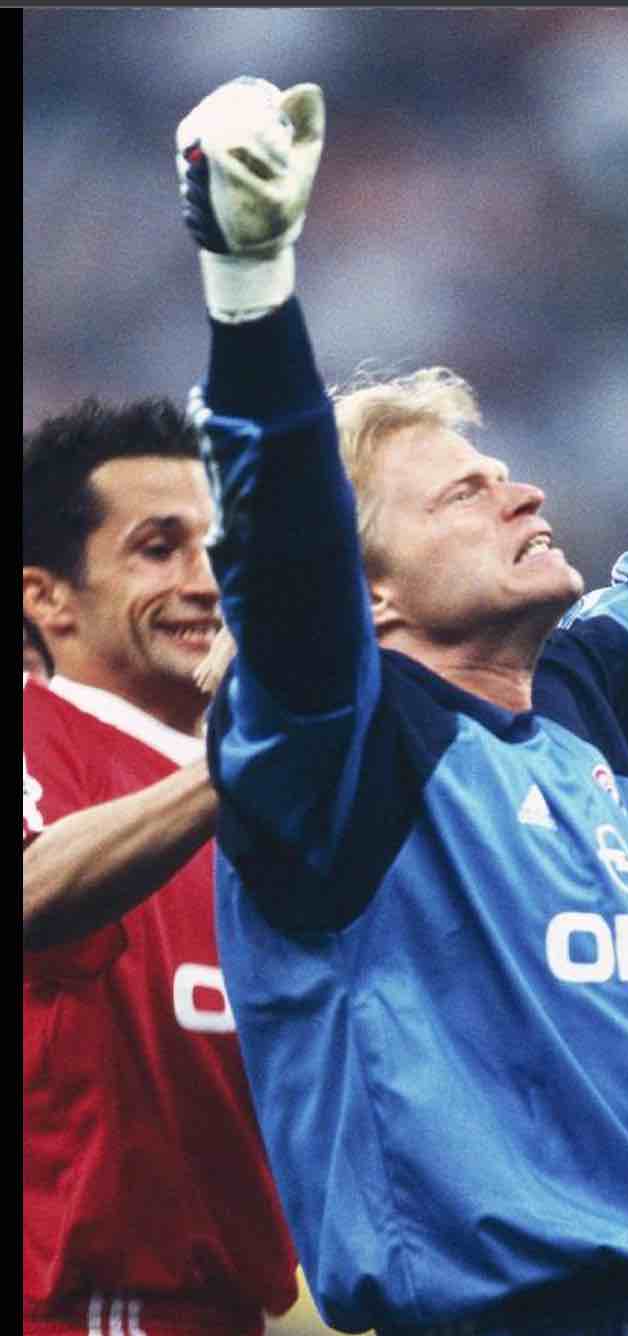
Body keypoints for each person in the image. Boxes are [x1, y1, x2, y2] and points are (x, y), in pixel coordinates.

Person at [173, 75, 628, 1335]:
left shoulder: (575, 709)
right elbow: (287, 557)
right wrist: (250, 290)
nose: (521, 495)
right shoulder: (337, 753)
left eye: (504, 473)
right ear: (367, 595)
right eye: (462, 496)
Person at [21, 396, 302, 1336]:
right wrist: (234, 767)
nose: (207, 581)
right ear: (47, 598)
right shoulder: (38, 738)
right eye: (158, 548)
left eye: (219, 547)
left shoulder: (269, 788)